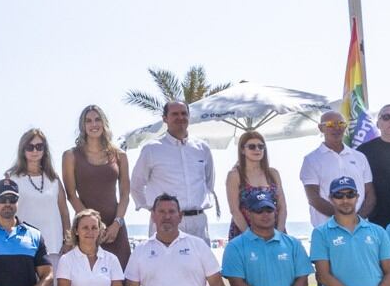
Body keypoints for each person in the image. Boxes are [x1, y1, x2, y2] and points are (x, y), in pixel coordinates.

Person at [130, 101, 217, 243]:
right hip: (166, 223)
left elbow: (209, 183)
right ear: (165, 118)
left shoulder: (202, 148)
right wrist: (154, 210)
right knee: (163, 265)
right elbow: (136, 185)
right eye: (174, 114)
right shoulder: (152, 149)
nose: (180, 117)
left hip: (198, 223)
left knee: (199, 265)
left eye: (184, 113)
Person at [61, 105, 131, 269]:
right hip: (87, 230)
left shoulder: (120, 156)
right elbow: (71, 195)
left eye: (97, 119)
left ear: (104, 123)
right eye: (88, 121)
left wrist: (117, 224)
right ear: (83, 126)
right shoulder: (70, 156)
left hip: (116, 229)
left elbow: (125, 194)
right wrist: (92, 225)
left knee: (122, 283)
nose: (94, 124)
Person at [300, 110, 375, 228]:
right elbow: (313, 198)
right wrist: (344, 218)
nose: (337, 128)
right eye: (330, 124)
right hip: (327, 229)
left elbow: (370, 193)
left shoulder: (360, 157)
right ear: (321, 128)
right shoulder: (311, 160)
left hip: (360, 228)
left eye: (341, 124)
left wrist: (357, 219)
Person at [7, 128, 70, 265]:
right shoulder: (12, 178)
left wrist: (68, 241)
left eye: (39, 147)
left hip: (54, 247)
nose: (35, 151)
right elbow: (7, 214)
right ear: (23, 150)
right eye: (30, 147)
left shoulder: (53, 179)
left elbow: (64, 212)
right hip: (24, 248)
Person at [224, 130, 287, 239]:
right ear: (243, 150)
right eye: (252, 146)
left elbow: (282, 207)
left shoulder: (273, 173)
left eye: (261, 146)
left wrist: (279, 234)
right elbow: (234, 210)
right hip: (245, 233)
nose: (257, 149)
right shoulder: (235, 175)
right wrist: (251, 237)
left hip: (274, 232)